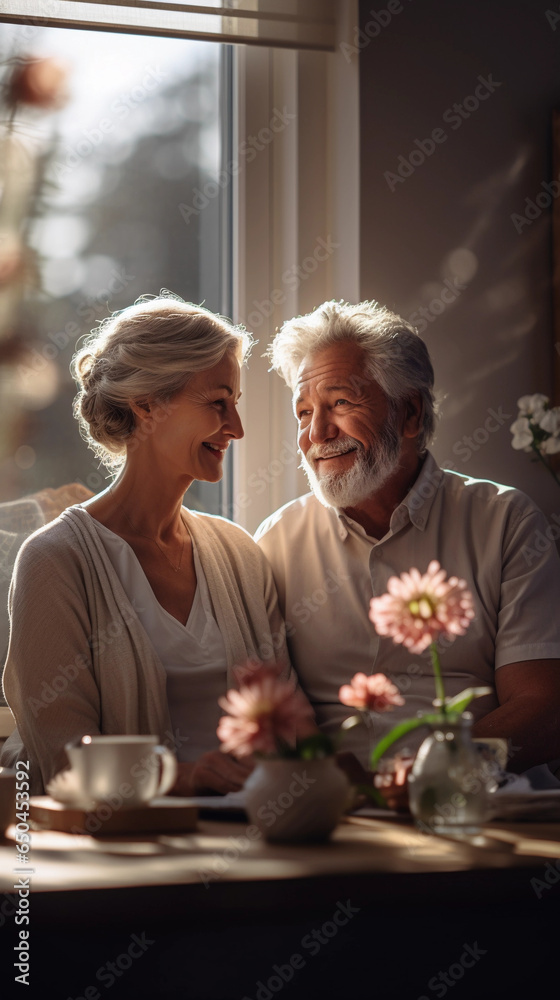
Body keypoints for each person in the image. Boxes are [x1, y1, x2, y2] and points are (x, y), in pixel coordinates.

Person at [255, 299, 560, 788]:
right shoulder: (275, 543)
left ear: (410, 412)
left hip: (484, 804)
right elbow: (265, 708)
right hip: (339, 813)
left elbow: (544, 709)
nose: (317, 434)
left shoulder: (505, 520)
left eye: (340, 404)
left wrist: (434, 777)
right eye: (304, 412)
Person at [1, 295, 293, 796]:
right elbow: (62, 761)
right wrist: (184, 780)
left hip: (257, 834)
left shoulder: (239, 554)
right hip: (130, 851)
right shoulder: (55, 561)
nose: (237, 428)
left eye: (236, 404)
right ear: (147, 405)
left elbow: (286, 726)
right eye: (217, 402)